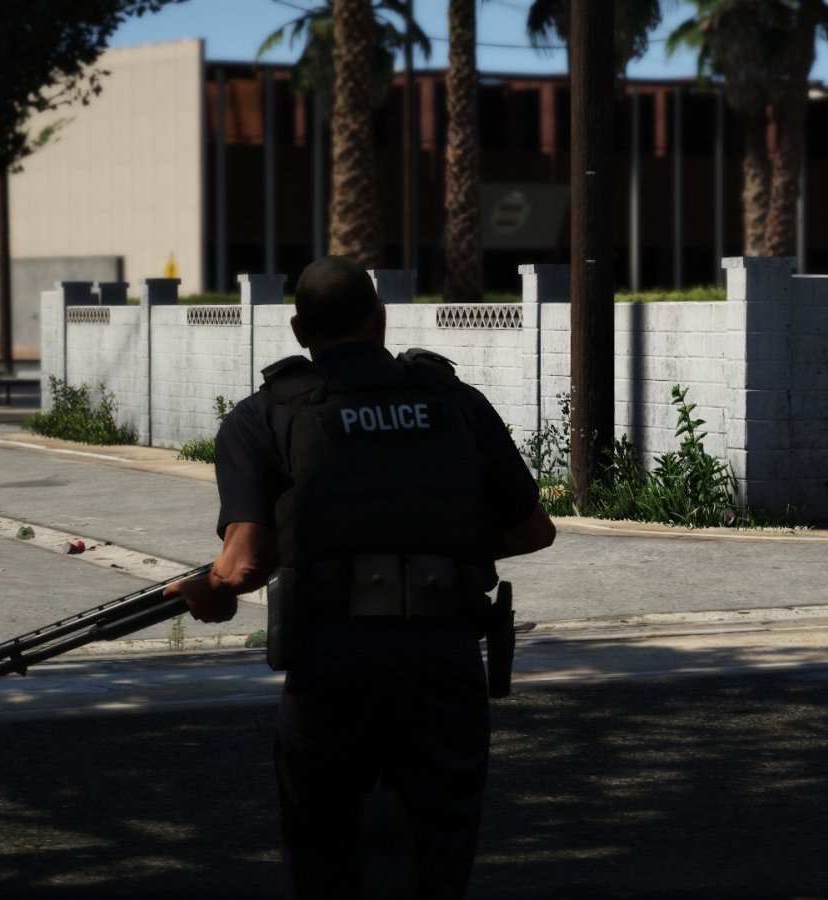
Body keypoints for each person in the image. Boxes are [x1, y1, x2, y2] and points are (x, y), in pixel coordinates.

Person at [165, 255, 557, 898]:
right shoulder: (454, 400)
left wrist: (211, 592)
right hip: (442, 653)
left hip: (333, 658)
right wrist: (439, 547)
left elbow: (244, 562)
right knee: (441, 846)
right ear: (380, 317)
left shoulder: (264, 415)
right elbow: (533, 530)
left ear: (299, 331)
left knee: (321, 845)